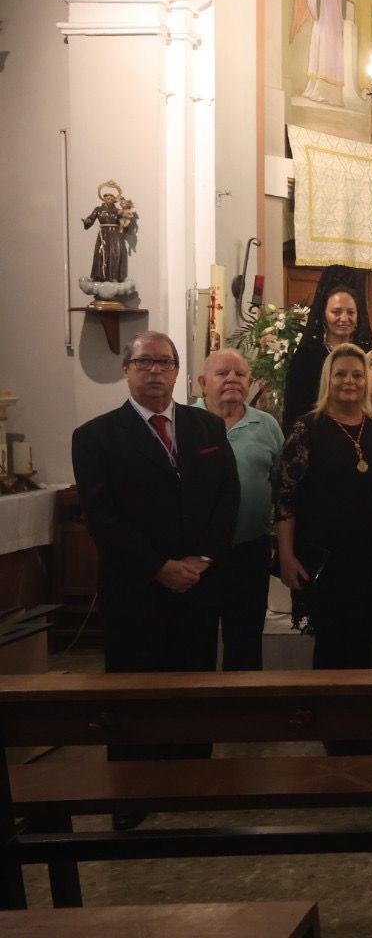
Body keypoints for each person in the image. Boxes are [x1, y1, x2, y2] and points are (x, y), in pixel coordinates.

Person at [72, 332, 239, 785]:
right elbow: (102, 519)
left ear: (178, 371)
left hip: (197, 587)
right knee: (134, 693)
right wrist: (158, 567)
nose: (155, 372)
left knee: (193, 686)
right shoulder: (95, 437)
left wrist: (202, 559)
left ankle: (192, 779)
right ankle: (132, 790)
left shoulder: (206, 427)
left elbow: (227, 497)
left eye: (164, 363)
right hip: (136, 589)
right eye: (144, 363)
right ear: (126, 370)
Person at [276, 343, 372, 738]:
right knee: (335, 644)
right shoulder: (307, 428)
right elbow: (286, 498)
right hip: (328, 558)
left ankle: (371, 726)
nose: (349, 381)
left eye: (357, 374)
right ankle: (335, 728)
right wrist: (286, 555)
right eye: (341, 374)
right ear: (328, 379)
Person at [195, 349, 284, 671]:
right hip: (197, 554)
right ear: (203, 382)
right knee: (196, 639)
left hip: (250, 549)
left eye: (240, 374)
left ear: (250, 382)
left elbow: (280, 485)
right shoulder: (187, 422)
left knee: (245, 642)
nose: (232, 379)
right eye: (222, 373)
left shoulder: (267, 425)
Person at [282, 275, 371, 429]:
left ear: (358, 317)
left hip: (357, 430)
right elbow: (294, 407)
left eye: (350, 312)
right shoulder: (306, 356)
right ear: (324, 315)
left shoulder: (365, 355)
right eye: (336, 312)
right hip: (315, 432)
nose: (344, 318)